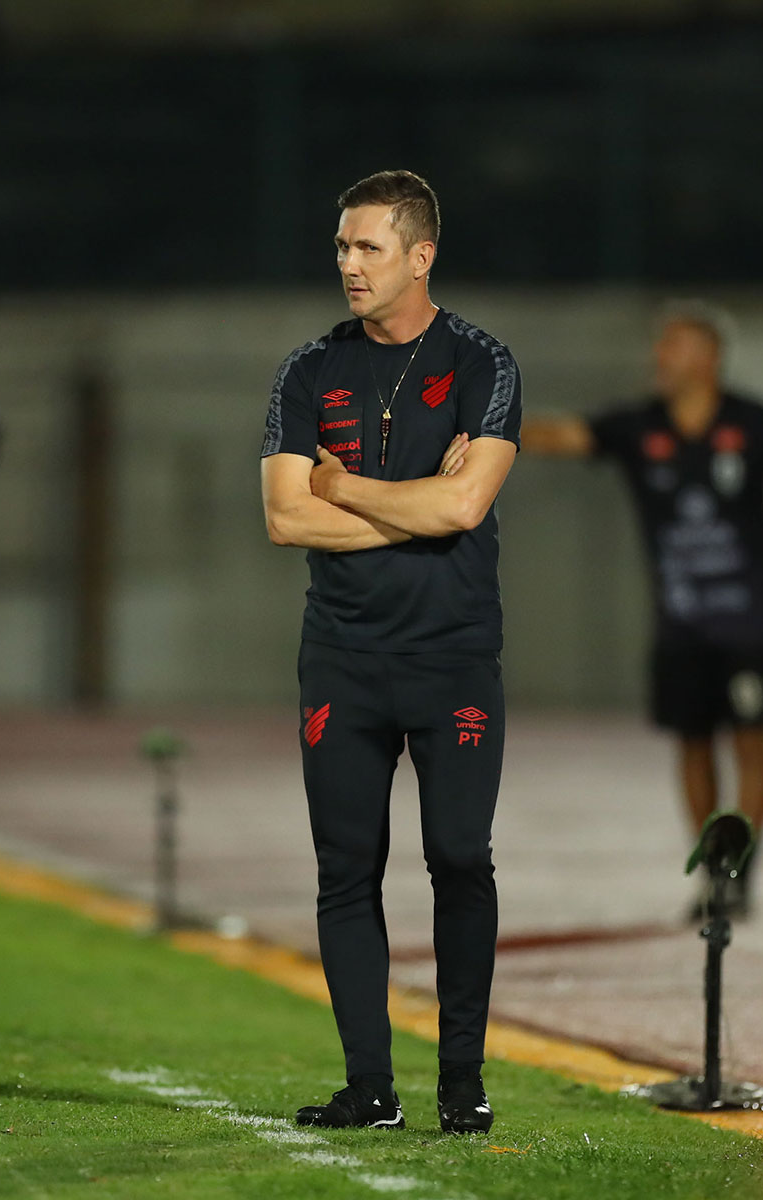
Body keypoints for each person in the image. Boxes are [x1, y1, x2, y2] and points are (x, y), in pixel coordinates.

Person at [260, 170, 521, 1134]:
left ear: (422, 255)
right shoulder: (307, 369)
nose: (348, 265)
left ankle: (463, 1083)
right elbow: (287, 520)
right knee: (345, 869)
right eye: (341, 246)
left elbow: (466, 506)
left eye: (368, 247)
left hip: (453, 658)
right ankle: (370, 1087)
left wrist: (351, 488)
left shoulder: (485, 363)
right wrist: (412, 502)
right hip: (343, 661)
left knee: (459, 857)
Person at [521, 301, 763, 919]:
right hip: (681, 622)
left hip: (750, 620)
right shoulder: (641, 427)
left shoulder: (753, 422)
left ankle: (744, 864)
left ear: (709, 358)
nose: (658, 358)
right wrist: (483, 424)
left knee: (750, 740)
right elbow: (566, 436)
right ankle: (713, 865)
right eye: (659, 347)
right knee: (692, 743)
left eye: (673, 347)